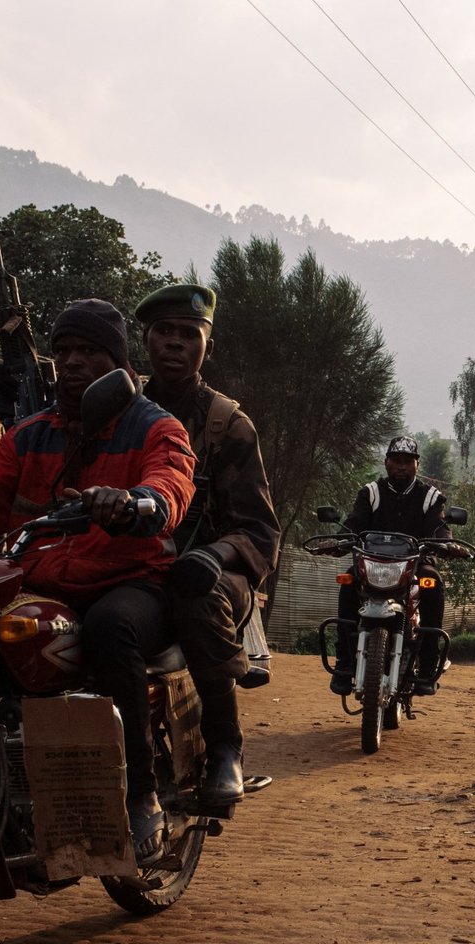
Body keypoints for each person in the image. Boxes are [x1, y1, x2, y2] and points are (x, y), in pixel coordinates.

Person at [0, 299, 198, 852]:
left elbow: (171, 482)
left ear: (118, 363)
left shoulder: (157, 427)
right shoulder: (30, 434)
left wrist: (140, 502)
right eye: (63, 352)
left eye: (88, 351)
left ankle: (140, 795)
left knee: (111, 628)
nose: (72, 362)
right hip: (36, 583)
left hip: (129, 580)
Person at [135, 282, 279, 805]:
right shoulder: (119, 413)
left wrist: (212, 556)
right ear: (146, 342)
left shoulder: (227, 425)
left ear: (207, 347)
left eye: (188, 334)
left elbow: (260, 530)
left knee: (197, 597)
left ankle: (225, 748)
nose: (175, 343)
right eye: (164, 332)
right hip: (136, 563)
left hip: (218, 574)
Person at [332, 436, 469, 698]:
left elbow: (439, 526)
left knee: (433, 583)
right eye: (396, 461)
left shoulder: (430, 497)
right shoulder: (371, 493)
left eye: (408, 462)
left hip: (416, 565)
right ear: (386, 463)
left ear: (417, 465)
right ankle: (344, 663)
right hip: (372, 565)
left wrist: (448, 544)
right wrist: (338, 541)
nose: (401, 467)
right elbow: (354, 524)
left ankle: (428, 666)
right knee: (349, 581)